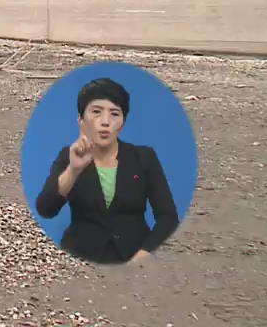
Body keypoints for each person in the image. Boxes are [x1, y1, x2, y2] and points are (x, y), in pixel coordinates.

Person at [35, 77, 180, 265]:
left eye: (114, 114)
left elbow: (168, 217)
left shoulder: (143, 157)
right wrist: (74, 170)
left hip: (134, 258)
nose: (105, 122)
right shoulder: (68, 156)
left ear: (123, 122)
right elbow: (46, 209)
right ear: (81, 120)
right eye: (96, 112)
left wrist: (144, 254)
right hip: (81, 259)